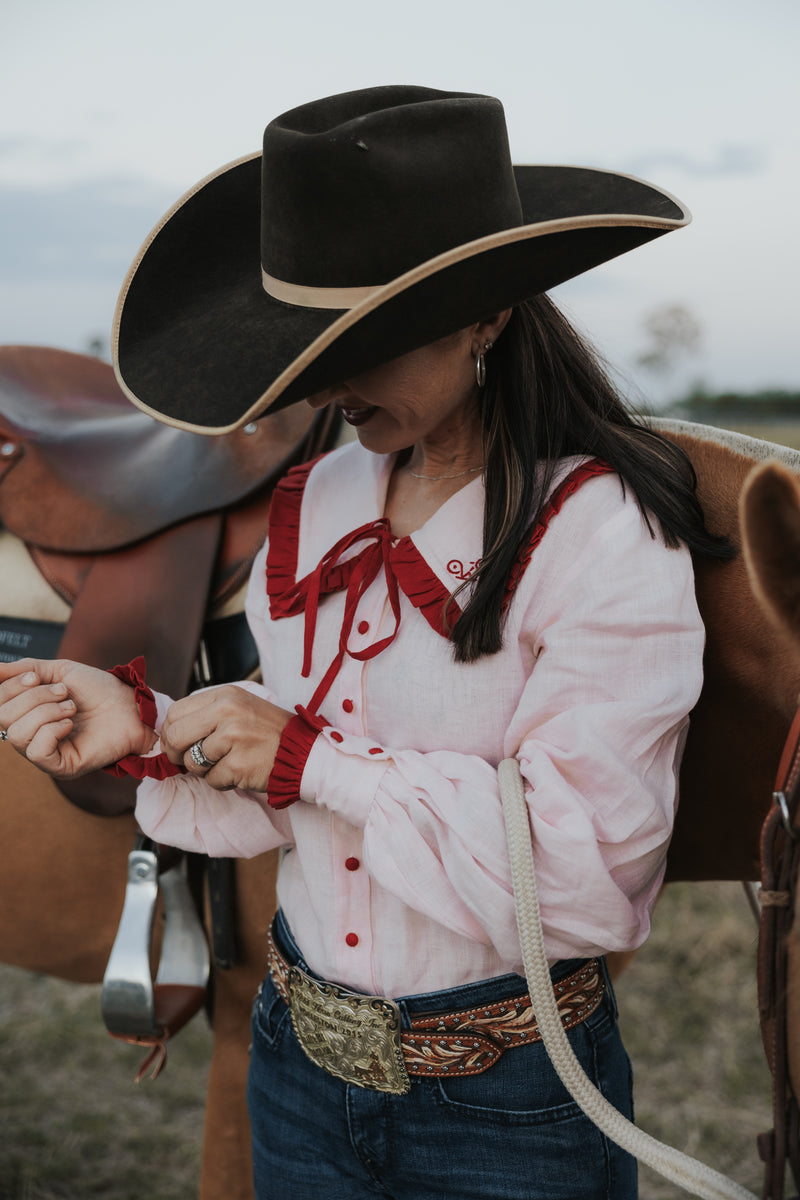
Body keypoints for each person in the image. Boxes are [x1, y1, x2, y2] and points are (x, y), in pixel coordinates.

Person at [0, 86, 731, 1199]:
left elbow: (584, 878)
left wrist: (305, 757)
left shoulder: (599, 532)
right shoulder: (324, 494)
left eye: (368, 343)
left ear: (487, 315)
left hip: (502, 1105)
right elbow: (291, 776)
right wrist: (149, 728)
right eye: (308, 346)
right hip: (297, 1075)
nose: (329, 384)